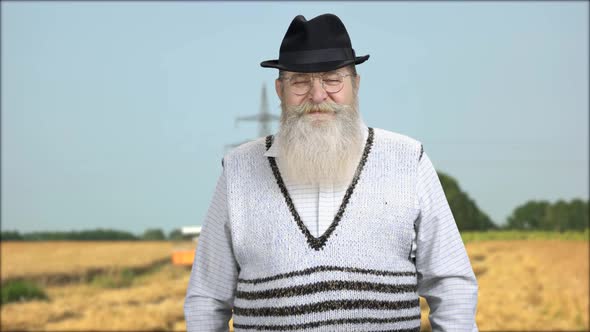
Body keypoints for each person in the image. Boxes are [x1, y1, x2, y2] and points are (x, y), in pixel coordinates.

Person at [184, 13, 479, 332]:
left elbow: (451, 284)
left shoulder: (408, 159)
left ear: (355, 85)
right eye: (300, 81)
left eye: (332, 79)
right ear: (280, 90)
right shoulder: (239, 168)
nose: (317, 95)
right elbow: (207, 298)